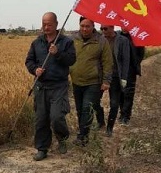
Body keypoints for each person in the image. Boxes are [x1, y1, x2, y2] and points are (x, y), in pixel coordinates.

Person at [25, 12, 77, 161]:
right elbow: (29, 61)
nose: (46, 27)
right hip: (41, 86)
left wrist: (58, 53)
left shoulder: (66, 42)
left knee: (56, 117)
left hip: (58, 86)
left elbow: (72, 60)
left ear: (56, 24)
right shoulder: (37, 43)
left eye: (49, 24)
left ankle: (62, 138)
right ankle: (42, 148)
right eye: (44, 24)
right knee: (41, 119)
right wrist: (35, 70)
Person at [69, 17, 113, 145]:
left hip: (93, 82)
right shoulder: (73, 39)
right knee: (79, 109)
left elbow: (107, 62)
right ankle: (83, 131)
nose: (84, 29)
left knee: (87, 108)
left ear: (93, 26)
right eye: (82, 26)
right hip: (76, 80)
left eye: (87, 26)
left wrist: (106, 81)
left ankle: (83, 137)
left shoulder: (101, 41)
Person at [99, 24, 130, 136]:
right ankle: (100, 122)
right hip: (101, 75)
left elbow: (126, 60)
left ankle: (109, 128)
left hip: (116, 76)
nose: (103, 31)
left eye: (105, 28)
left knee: (114, 103)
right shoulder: (99, 39)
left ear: (112, 27)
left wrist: (124, 78)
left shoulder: (123, 41)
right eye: (101, 28)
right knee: (95, 100)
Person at [118, 29, 146, 124]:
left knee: (128, 93)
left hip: (130, 69)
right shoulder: (117, 36)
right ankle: (122, 112)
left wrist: (135, 64)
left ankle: (126, 116)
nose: (124, 28)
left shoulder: (136, 38)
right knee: (120, 92)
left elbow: (141, 54)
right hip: (119, 69)